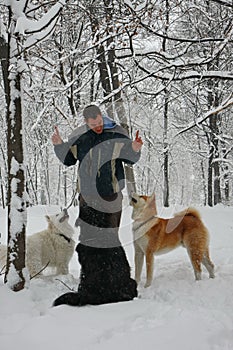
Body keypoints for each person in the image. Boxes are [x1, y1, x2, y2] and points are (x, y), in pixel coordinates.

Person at [51, 104, 143, 307]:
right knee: (88, 240)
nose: (98, 126)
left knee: (110, 239)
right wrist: (58, 145)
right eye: (94, 124)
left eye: (100, 122)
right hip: (87, 196)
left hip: (111, 196)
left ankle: (113, 281)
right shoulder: (81, 138)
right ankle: (91, 280)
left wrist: (135, 149)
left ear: (102, 117)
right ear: (86, 123)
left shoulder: (115, 134)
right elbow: (68, 160)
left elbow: (130, 157)